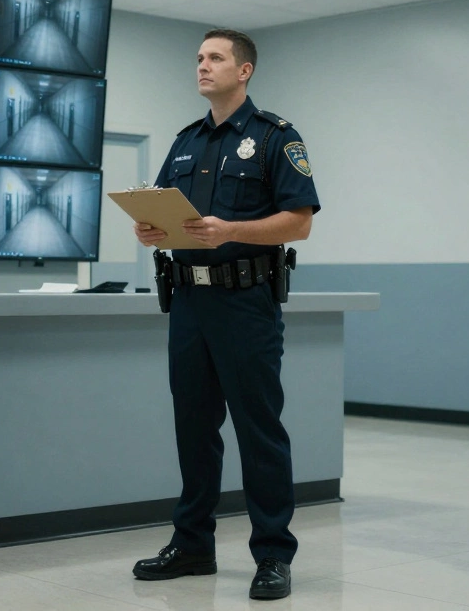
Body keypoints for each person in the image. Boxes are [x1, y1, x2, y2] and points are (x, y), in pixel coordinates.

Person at [131, 29, 320, 601]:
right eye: (198, 58)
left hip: (245, 302)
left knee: (258, 430)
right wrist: (149, 230)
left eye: (215, 58)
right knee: (193, 428)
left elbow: (300, 221)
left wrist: (232, 231)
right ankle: (192, 544)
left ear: (245, 72)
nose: (202, 66)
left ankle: (272, 555)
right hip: (189, 301)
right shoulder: (185, 141)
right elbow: (165, 211)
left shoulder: (273, 138)